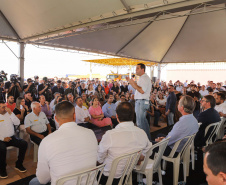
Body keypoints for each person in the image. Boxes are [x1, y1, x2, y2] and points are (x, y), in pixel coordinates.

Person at [29, 101, 98, 185]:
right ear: (74, 116)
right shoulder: (90, 133)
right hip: (90, 182)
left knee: (33, 182)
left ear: (56, 119)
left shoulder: (47, 141)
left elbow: (43, 179)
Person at [98, 102, 152, 185]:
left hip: (109, 178)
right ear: (133, 116)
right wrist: (139, 158)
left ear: (117, 116)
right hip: (128, 173)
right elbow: (149, 150)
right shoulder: (141, 133)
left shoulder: (110, 135)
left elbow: (99, 159)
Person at [0, 100, 27, 178]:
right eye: (2, 107)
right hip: (1, 139)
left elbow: (17, 123)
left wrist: (11, 113)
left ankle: (19, 164)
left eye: (5, 106)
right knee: (2, 149)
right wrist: (3, 138)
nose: (4, 108)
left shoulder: (9, 114)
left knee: (23, 143)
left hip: (11, 137)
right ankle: (2, 169)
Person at [126, 63, 152, 140]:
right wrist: (132, 82)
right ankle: (148, 140)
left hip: (141, 102)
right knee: (143, 122)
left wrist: (132, 82)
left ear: (142, 69)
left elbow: (141, 90)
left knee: (140, 123)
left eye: (137, 68)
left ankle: (143, 141)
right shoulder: (143, 78)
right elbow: (139, 88)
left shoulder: (144, 78)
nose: (135, 70)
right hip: (142, 101)